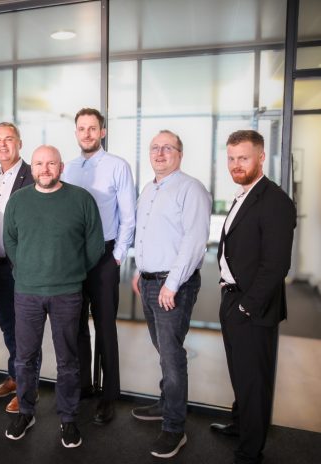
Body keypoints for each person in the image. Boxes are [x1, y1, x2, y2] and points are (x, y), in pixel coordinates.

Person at [3, 145, 104, 448]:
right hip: (27, 292)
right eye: (39, 164)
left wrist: (72, 271)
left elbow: (95, 245)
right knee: (25, 359)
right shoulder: (18, 200)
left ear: (61, 167)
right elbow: (10, 241)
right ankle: (25, 412)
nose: (44, 169)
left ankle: (68, 418)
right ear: (32, 168)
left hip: (67, 292)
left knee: (68, 360)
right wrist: (26, 269)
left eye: (51, 164)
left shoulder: (81, 199)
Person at [210, 130, 296, 464]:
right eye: (231, 158)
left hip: (252, 306)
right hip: (233, 298)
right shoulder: (244, 194)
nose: (236, 164)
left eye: (243, 158)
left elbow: (276, 265)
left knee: (254, 380)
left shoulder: (275, 201)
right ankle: (241, 425)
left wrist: (246, 306)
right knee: (240, 373)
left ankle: (251, 450)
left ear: (261, 157)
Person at [131, 130, 211, 458]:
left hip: (173, 285)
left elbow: (194, 241)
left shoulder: (191, 189)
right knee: (163, 350)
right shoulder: (149, 189)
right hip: (150, 281)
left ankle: (175, 428)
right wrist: (139, 271)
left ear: (180, 153)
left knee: (172, 355)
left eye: (167, 148)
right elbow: (147, 235)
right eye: (155, 148)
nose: (160, 153)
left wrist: (172, 284)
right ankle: (166, 404)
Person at [62, 108, 136, 424]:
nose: (87, 134)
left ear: (102, 132)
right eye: (82, 129)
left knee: (105, 326)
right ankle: (84, 386)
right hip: (73, 257)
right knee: (76, 324)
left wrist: (117, 255)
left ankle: (108, 395)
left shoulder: (118, 166)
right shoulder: (68, 168)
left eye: (93, 128)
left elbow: (129, 217)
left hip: (105, 256)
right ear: (76, 132)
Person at [0, 122, 36, 414]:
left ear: (20, 143)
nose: (2, 145)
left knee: (25, 331)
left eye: (8, 139)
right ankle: (15, 378)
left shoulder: (31, 176)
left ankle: (28, 391)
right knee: (7, 326)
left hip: (22, 267)